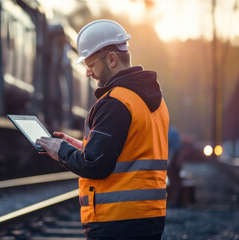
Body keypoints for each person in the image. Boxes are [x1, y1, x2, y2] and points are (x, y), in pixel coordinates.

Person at [36, 19, 169, 240]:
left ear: (111, 59)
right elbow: (127, 150)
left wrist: (61, 150)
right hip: (149, 216)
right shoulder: (154, 100)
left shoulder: (115, 102)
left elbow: (95, 165)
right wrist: (79, 147)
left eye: (91, 65)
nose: (88, 73)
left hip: (117, 221)